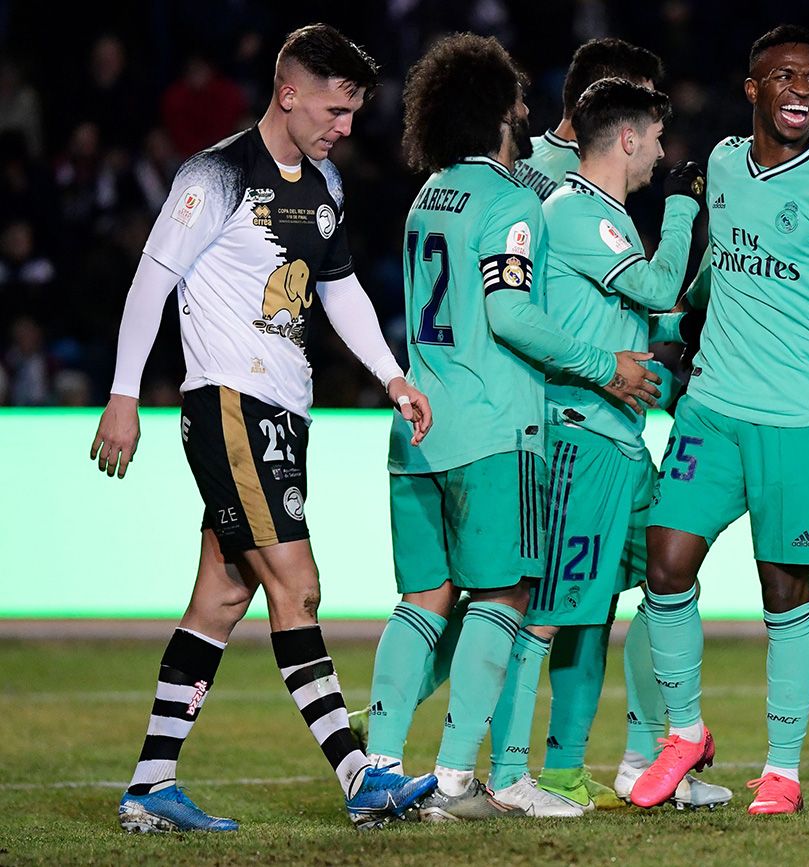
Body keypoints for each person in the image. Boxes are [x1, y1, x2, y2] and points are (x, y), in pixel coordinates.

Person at [90, 24, 437, 832]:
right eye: (335, 108)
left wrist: (390, 374)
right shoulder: (215, 173)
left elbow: (340, 286)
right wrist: (123, 393)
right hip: (229, 405)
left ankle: (150, 786)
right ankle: (359, 775)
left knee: (222, 593)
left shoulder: (323, 184)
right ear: (289, 92)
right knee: (298, 583)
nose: (345, 126)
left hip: (284, 410)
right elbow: (152, 280)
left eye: (352, 112)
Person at [361, 33, 658, 821]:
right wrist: (608, 364)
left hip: (418, 424)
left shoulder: (430, 193)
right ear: (493, 109)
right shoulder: (510, 200)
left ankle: (380, 768)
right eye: (519, 100)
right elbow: (510, 312)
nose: (527, 113)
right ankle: (459, 778)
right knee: (507, 593)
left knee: (423, 597)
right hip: (493, 428)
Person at [630, 24, 809, 816]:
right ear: (753, 89)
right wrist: (681, 320)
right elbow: (722, 258)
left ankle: (781, 769)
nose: (802, 92)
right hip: (711, 407)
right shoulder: (721, 163)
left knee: (784, 592)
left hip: (798, 418)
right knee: (666, 561)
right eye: (785, 78)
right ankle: (685, 733)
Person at [483, 76, 731, 815]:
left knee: (663, 585)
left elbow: (658, 309)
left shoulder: (607, 219)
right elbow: (657, 287)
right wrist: (686, 207)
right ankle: (511, 773)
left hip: (622, 443)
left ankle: (641, 755)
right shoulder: (577, 213)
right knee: (552, 610)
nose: (660, 153)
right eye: (656, 137)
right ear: (628, 137)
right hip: (580, 440)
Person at [513, 38, 664, 202]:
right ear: (603, 99)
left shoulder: (508, 153)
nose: (647, 121)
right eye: (643, 108)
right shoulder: (593, 188)